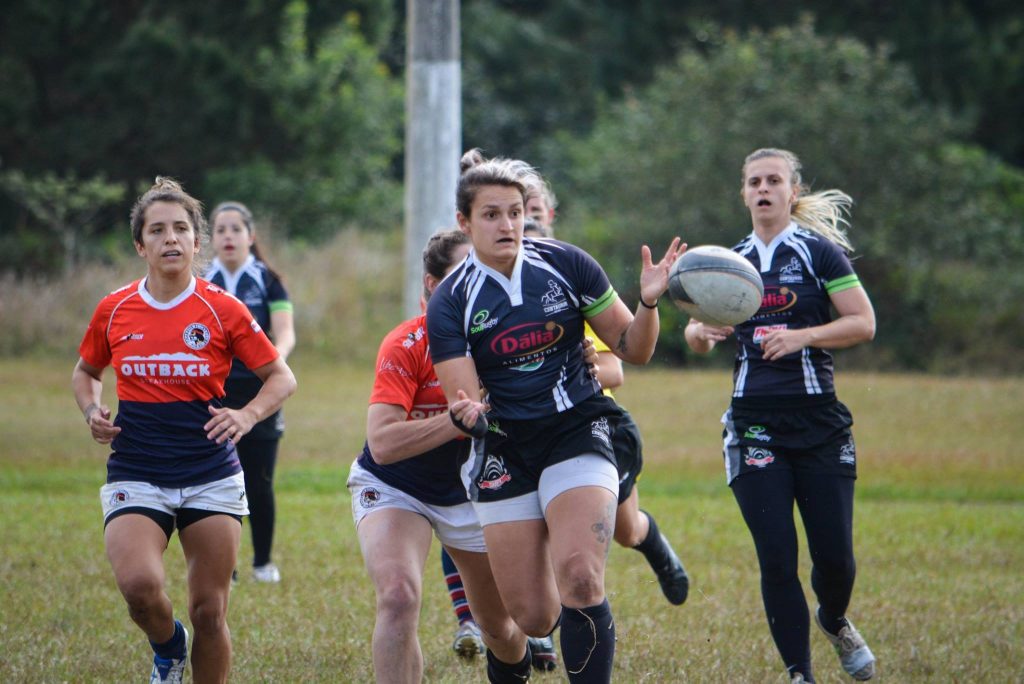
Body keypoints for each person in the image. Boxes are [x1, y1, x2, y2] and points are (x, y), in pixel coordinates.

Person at [427, 149, 682, 683]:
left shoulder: (567, 264)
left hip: (577, 430)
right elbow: (463, 397)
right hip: (504, 446)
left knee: (582, 579)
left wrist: (649, 304)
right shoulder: (450, 301)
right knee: (533, 616)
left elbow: (633, 351)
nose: (508, 224)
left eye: (515, 212)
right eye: (492, 214)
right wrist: (467, 412)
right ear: (464, 222)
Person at [72, 177, 297, 683]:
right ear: (140, 244)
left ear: (198, 242)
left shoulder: (223, 308)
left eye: (180, 229)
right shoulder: (114, 308)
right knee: (138, 588)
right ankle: (169, 647)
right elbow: (85, 373)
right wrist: (92, 411)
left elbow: (281, 377)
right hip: (137, 466)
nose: (170, 238)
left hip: (210, 469)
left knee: (209, 613)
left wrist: (246, 415)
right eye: (157, 230)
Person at [684, 148, 877, 683]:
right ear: (743, 193)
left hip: (820, 422)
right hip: (754, 424)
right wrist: (701, 333)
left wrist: (803, 337)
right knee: (777, 555)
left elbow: (863, 323)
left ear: (793, 192)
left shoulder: (820, 254)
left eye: (774, 180)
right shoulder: (728, 261)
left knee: (835, 560)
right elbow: (696, 335)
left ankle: (834, 617)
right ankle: (800, 673)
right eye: (754, 181)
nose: (763, 189)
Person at [347, 229, 534, 683]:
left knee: (500, 627)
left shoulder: (507, 342)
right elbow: (384, 444)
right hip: (396, 486)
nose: (476, 287)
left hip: (474, 494)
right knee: (398, 595)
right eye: (463, 275)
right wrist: (454, 421)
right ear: (432, 287)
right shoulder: (406, 344)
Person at [523, 216, 691, 606]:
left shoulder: (566, 297)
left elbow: (617, 366)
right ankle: (542, 629)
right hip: (531, 433)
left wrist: (577, 366)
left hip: (594, 429)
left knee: (626, 530)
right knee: (543, 526)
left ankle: (654, 544)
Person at [205, 201, 295, 584]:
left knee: (258, 481)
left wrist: (275, 363)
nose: (228, 236)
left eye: (235, 229)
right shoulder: (201, 282)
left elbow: (286, 331)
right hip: (213, 394)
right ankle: (226, 566)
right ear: (210, 239)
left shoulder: (268, 280)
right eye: (221, 229)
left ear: (250, 236)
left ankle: (262, 562)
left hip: (260, 392)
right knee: (217, 483)